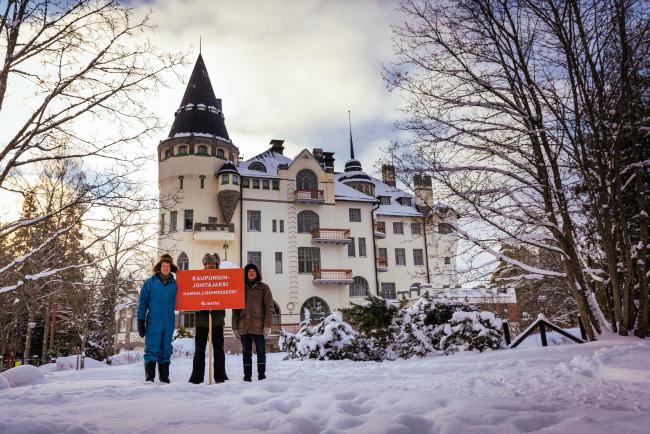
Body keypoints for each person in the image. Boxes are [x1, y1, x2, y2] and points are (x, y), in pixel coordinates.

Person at [189, 253, 229, 384]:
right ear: (204, 265)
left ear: (216, 265)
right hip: (201, 321)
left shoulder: (223, 279)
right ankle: (196, 377)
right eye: (208, 263)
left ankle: (220, 376)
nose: (210, 265)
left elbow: (228, 296)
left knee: (218, 350)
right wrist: (202, 305)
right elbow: (193, 297)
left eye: (213, 263)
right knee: (199, 350)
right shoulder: (198, 279)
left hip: (217, 321)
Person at [137, 253, 178, 383]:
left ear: (171, 268)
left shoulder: (175, 285)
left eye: (168, 266)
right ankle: (150, 378)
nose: (166, 268)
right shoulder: (150, 283)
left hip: (169, 323)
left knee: (166, 349)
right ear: (159, 267)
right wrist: (140, 320)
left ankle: (164, 378)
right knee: (152, 348)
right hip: (154, 322)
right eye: (163, 265)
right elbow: (143, 302)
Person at [232, 263, 273, 381]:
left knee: (261, 351)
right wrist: (235, 327)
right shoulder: (240, 288)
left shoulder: (264, 288)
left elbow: (269, 307)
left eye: (253, 271)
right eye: (249, 271)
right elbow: (235, 310)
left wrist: (267, 326)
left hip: (259, 327)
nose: (251, 273)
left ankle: (261, 375)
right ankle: (247, 376)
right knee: (246, 352)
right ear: (245, 273)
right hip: (244, 327)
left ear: (257, 273)